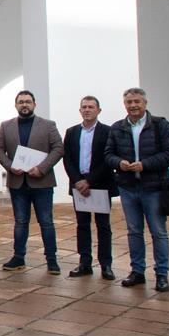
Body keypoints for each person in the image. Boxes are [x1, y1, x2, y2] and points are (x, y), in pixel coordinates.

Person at [105, 87, 169, 292]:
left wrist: (145, 164)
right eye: (129, 102)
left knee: (158, 232)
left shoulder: (160, 125)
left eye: (137, 101)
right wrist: (119, 163)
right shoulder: (118, 127)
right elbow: (108, 153)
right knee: (134, 231)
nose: (133, 105)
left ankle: (161, 274)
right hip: (128, 187)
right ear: (124, 105)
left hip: (153, 187)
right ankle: (137, 271)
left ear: (145, 103)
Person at [0, 90, 65, 274]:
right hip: (18, 182)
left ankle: (52, 260)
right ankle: (18, 257)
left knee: (46, 222)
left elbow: (58, 148)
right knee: (20, 222)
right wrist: (10, 166)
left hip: (42, 182)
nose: (24, 105)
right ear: (15, 105)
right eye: (20, 102)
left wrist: (42, 168)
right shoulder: (6, 126)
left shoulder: (48, 125)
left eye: (28, 101)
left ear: (34, 104)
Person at [63, 96, 115, 280]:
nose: (87, 110)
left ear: (98, 110)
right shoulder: (72, 132)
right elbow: (67, 158)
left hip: (99, 184)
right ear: (80, 111)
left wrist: (90, 180)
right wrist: (77, 180)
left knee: (103, 226)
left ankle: (106, 264)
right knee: (82, 225)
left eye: (91, 107)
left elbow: (108, 159)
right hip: (79, 185)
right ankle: (84, 263)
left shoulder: (108, 132)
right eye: (84, 107)